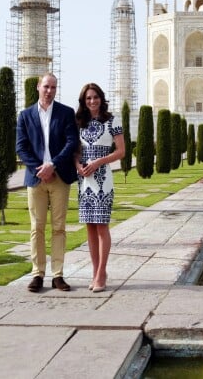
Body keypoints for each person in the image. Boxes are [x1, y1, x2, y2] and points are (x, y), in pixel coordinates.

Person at [16, 73, 79, 292]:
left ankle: (58, 275)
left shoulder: (65, 113)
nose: (49, 90)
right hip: (36, 179)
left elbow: (71, 142)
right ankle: (37, 274)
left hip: (59, 177)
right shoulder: (25, 115)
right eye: (46, 86)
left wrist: (52, 164)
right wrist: (39, 169)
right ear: (38, 87)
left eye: (53, 87)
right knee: (37, 227)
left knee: (59, 227)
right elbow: (21, 147)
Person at [75, 83, 124, 293]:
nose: (92, 101)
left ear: (101, 99)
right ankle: (95, 271)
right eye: (88, 98)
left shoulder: (112, 121)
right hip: (84, 180)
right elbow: (75, 151)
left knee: (102, 226)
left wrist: (98, 162)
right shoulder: (79, 123)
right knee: (90, 227)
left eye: (95, 97)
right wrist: (78, 166)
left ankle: (102, 273)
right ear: (84, 102)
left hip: (103, 179)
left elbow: (121, 151)